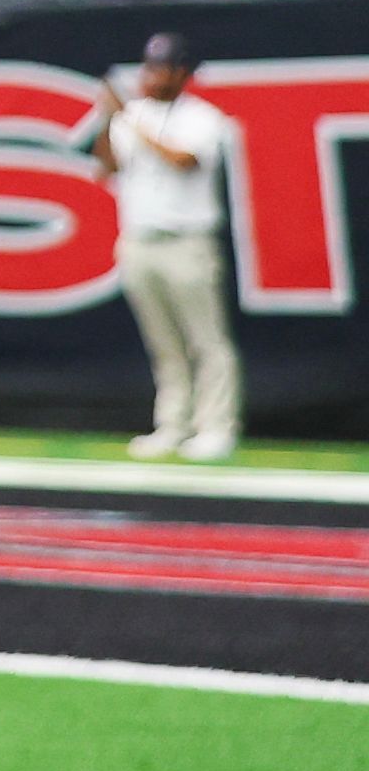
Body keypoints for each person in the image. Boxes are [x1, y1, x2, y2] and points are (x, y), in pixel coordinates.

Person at [103, 38, 240, 461]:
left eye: (160, 68)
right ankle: (172, 424)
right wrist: (106, 122)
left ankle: (217, 427)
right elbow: (108, 168)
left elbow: (184, 160)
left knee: (207, 340)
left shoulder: (204, 118)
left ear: (182, 73)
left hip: (187, 242)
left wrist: (127, 119)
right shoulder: (131, 117)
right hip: (139, 240)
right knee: (164, 343)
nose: (149, 76)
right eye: (147, 67)